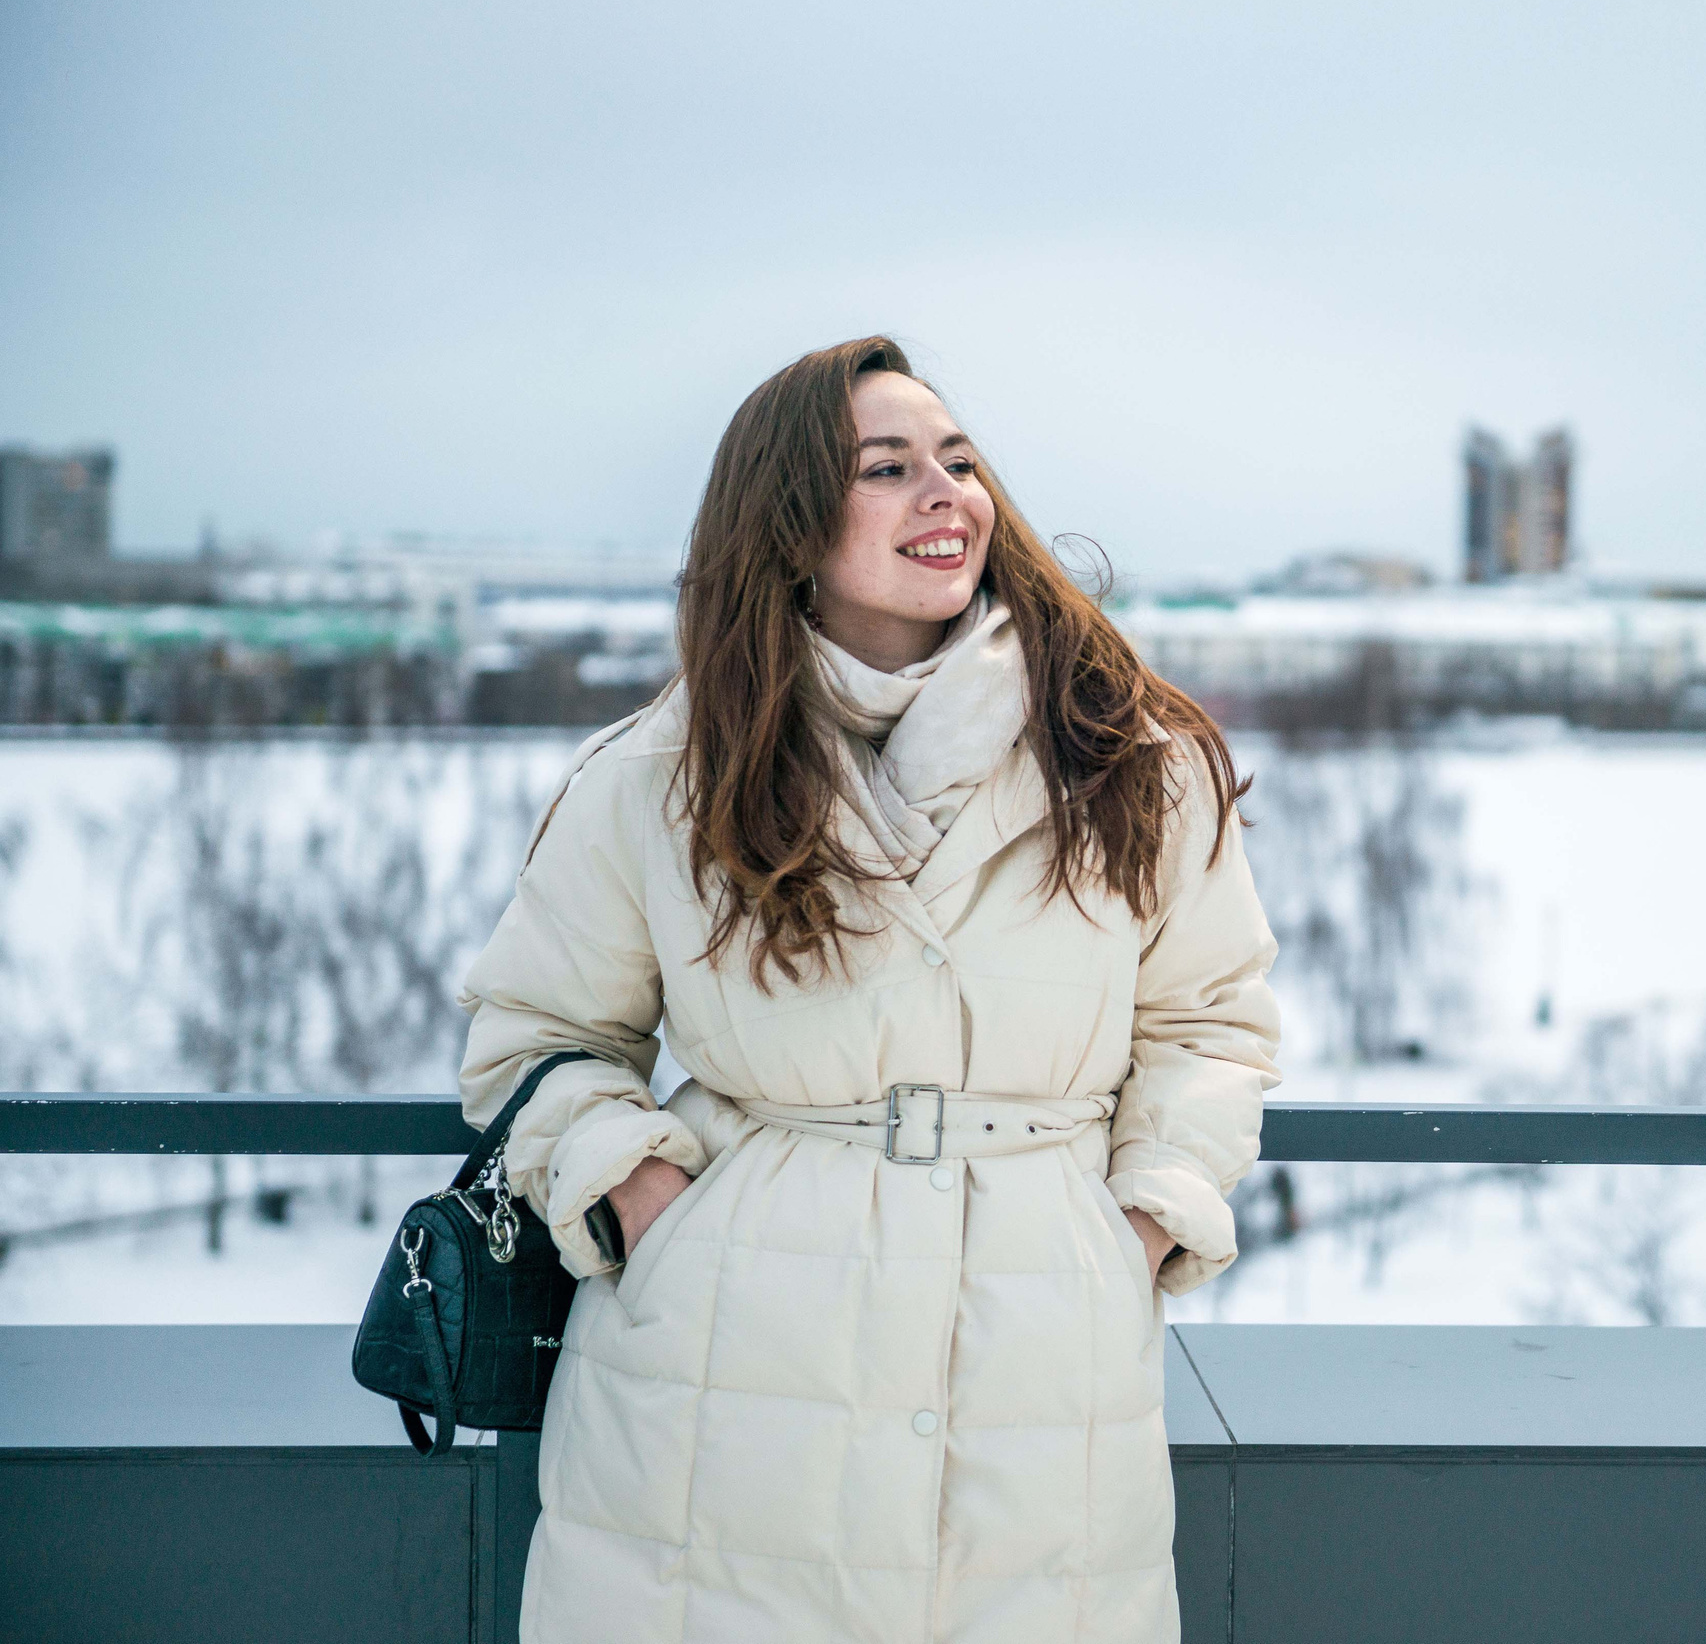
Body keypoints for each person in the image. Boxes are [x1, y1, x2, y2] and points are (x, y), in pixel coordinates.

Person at [456, 336, 1281, 1643]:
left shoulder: (1131, 761)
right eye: (886, 467)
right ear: (782, 519)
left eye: (959, 460)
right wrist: (647, 1198)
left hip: (1040, 1360)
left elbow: (1211, 1021)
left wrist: (1139, 1227)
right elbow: (540, 1036)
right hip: (719, 1368)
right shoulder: (660, 775)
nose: (944, 490)